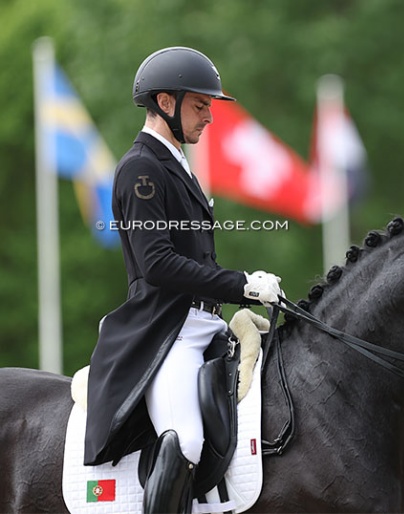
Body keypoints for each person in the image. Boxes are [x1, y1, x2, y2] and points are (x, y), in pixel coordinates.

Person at [83, 46, 282, 513]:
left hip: (201, 325)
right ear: (166, 103)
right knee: (186, 439)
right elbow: (158, 265)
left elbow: (199, 266)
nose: (210, 116)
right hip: (165, 332)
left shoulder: (177, 165)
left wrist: (244, 295)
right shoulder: (142, 169)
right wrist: (240, 285)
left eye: (209, 106)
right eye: (200, 104)